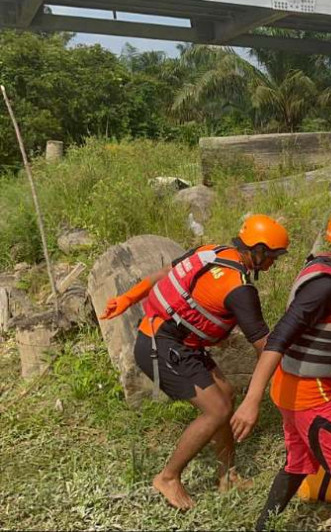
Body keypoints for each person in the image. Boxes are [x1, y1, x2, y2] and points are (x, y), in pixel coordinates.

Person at [99, 214, 289, 510]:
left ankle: (227, 476)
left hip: (174, 339)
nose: (273, 263)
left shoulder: (212, 251)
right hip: (160, 346)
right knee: (217, 409)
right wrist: (284, 380)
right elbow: (265, 347)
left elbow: (166, 272)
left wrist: (128, 298)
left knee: (225, 394)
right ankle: (168, 477)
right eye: (272, 256)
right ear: (258, 250)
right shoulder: (240, 289)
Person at [229, 208, 331, 532]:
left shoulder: (329, 270)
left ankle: (262, 527)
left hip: (292, 389)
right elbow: (278, 339)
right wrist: (251, 400)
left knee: (298, 463)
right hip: (310, 395)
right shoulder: (325, 289)